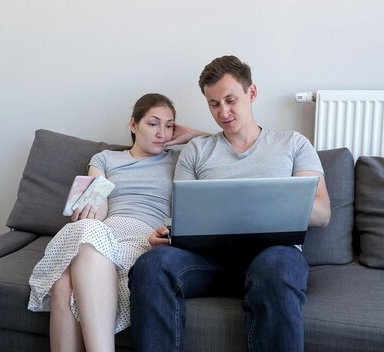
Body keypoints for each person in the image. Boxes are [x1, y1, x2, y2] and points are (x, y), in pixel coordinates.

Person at [128, 55, 331, 352]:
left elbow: (323, 213)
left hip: (272, 256)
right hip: (208, 260)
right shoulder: (197, 151)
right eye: (214, 104)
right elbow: (183, 213)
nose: (223, 112)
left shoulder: (293, 144)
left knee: (278, 266)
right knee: (151, 265)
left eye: (231, 100)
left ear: (252, 93)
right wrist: (169, 233)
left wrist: (265, 203)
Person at [28, 93, 204, 352]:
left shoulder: (179, 159)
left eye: (169, 125)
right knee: (81, 242)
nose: (162, 133)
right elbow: (99, 205)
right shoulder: (105, 159)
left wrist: (190, 134)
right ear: (133, 125)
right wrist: (87, 212)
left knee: (65, 280)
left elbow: (224, 142)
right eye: (153, 123)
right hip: (105, 231)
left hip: (144, 237)